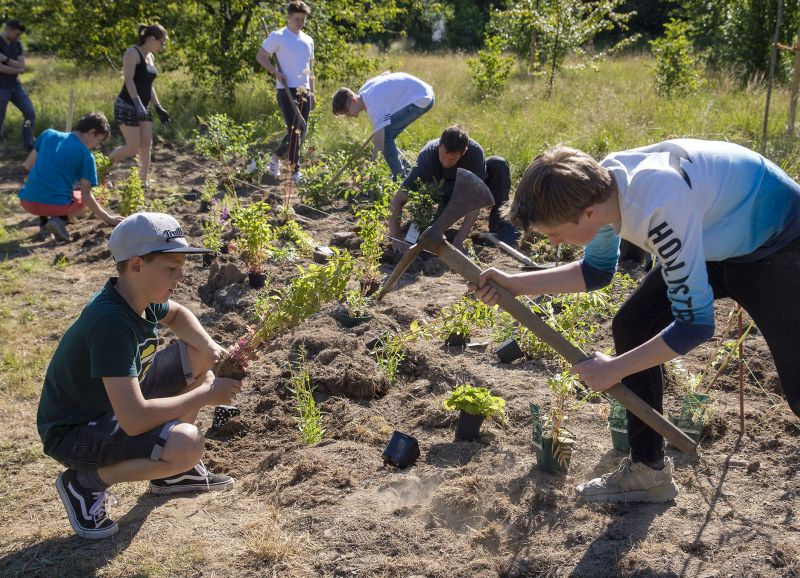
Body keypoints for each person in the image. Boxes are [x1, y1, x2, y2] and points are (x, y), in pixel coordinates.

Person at [471, 140, 800, 504]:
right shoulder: (604, 187)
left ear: (589, 213)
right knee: (632, 323)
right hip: (715, 233)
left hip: (781, 242)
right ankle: (648, 473)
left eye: (554, 233)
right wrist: (516, 284)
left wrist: (616, 368)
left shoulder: (659, 208)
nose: (553, 241)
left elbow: (696, 325)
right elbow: (596, 272)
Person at [37, 212, 242, 539]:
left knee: (200, 352)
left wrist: (212, 347)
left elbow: (178, 314)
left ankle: (172, 475)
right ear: (136, 265)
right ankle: (84, 483)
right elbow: (133, 419)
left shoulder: (138, 298)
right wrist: (206, 394)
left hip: (113, 405)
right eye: (171, 269)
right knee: (187, 445)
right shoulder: (111, 324)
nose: (179, 279)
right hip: (75, 431)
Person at [388, 125, 519, 253]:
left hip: (464, 188)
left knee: (499, 164)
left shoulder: (475, 154)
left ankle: (501, 227)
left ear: (464, 152)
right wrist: (396, 238)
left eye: (451, 159)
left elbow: (475, 201)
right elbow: (397, 201)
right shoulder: (427, 158)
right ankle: (429, 223)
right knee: (430, 234)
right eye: (443, 156)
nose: (445, 162)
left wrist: (459, 240)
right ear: (439, 145)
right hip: (439, 189)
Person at [17, 112, 122, 242]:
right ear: (91, 132)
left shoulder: (48, 134)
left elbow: (27, 165)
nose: (96, 145)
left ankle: (44, 223)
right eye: (99, 140)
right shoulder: (86, 155)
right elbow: (87, 196)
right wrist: (109, 219)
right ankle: (59, 220)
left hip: (27, 200)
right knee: (95, 199)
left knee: (47, 187)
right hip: (53, 205)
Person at [331, 71, 434, 180]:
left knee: (385, 139)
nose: (347, 115)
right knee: (385, 137)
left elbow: (379, 144)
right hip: (422, 91)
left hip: (422, 98)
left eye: (346, 111)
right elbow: (385, 74)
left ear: (353, 101)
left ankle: (401, 180)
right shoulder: (364, 90)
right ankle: (410, 173)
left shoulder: (374, 105)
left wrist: (371, 171)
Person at [257, 1, 315, 184]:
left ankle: (275, 158)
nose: (300, 23)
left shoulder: (308, 40)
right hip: (286, 88)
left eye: (303, 20)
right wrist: (276, 73)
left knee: (300, 129)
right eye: (297, 19)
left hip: (304, 89)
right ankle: (295, 171)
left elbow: (310, 68)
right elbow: (261, 56)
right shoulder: (278, 36)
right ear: (289, 17)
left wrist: (312, 93)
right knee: (295, 130)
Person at [109, 23, 171, 189]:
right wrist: (137, 103)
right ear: (151, 39)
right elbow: (128, 80)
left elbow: (148, 85)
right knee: (133, 147)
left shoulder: (151, 57)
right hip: (128, 104)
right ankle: (103, 169)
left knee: (147, 144)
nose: (163, 46)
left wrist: (157, 106)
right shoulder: (132, 53)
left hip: (143, 105)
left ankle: (142, 182)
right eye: (162, 42)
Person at [0, 18, 35, 151]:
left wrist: (5, 59)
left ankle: (28, 144)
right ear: (8, 29)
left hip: (16, 86)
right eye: (16, 34)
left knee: (30, 113)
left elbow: (22, 67)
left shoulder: (18, 44)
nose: (18, 37)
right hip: (1, 88)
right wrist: (17, 68)